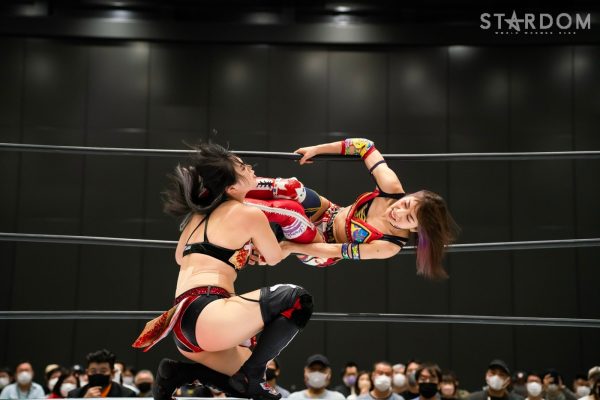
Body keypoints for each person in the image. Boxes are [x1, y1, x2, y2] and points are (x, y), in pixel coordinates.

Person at [132, 143, 313, 400]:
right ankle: (253, 374)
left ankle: (179, 373)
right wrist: (292, 245)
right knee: (297, 299)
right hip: (210, 314)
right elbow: (274, 257)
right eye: (242, 167)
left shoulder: (196, 217)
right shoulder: (249, 213)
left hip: (182, 322)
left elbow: (180, 257)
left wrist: (233, 252)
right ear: (231, 188)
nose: (250, 168)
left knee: (245, 382)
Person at [247, 138, 458, 278]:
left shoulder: (389, 246)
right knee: (291, 188)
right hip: (328, 212)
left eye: (409, 218)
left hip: (321, 247)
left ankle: (239, 211)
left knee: (292, 212)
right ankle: (239, 183)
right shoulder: (392, 189)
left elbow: (337, 250)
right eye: (406, 204)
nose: (398, 211)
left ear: (414, 229)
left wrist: (289, 248)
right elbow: (364, 146)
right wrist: (316, 150)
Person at [67, 349, 137, 398]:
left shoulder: (127, 395)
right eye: (93, 371)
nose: (98, 374)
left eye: (103, 371)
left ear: (112, 373)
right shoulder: (74, 395)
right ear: (87, 372)